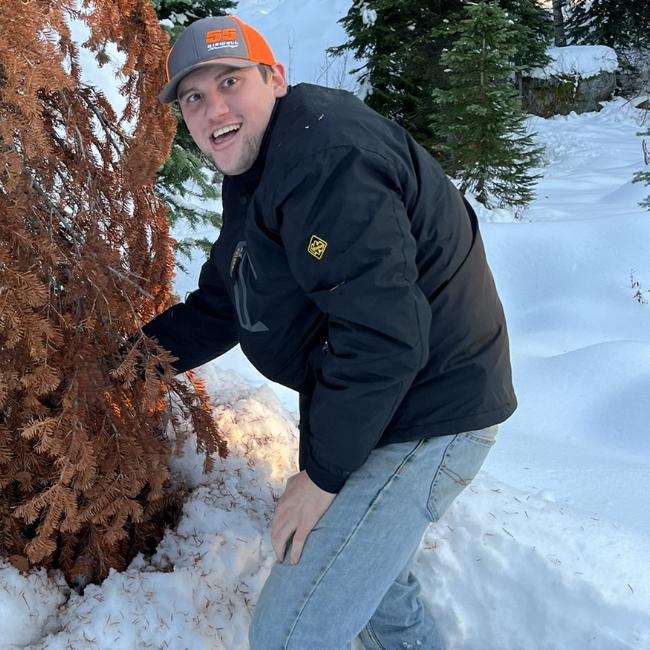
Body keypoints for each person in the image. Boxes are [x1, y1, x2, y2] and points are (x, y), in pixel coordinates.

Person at [143, 14, 517, 650]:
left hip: (428, 413)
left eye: (230, 82)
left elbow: (385, 335)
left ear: (275, 79)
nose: (214, 110)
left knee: (290, 631)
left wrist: (319, 479)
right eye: (194, 97)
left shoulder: (327, 161)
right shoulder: (260, 167)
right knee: (372, 595)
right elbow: (224, 302)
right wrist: (129, 363)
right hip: (379, 404)